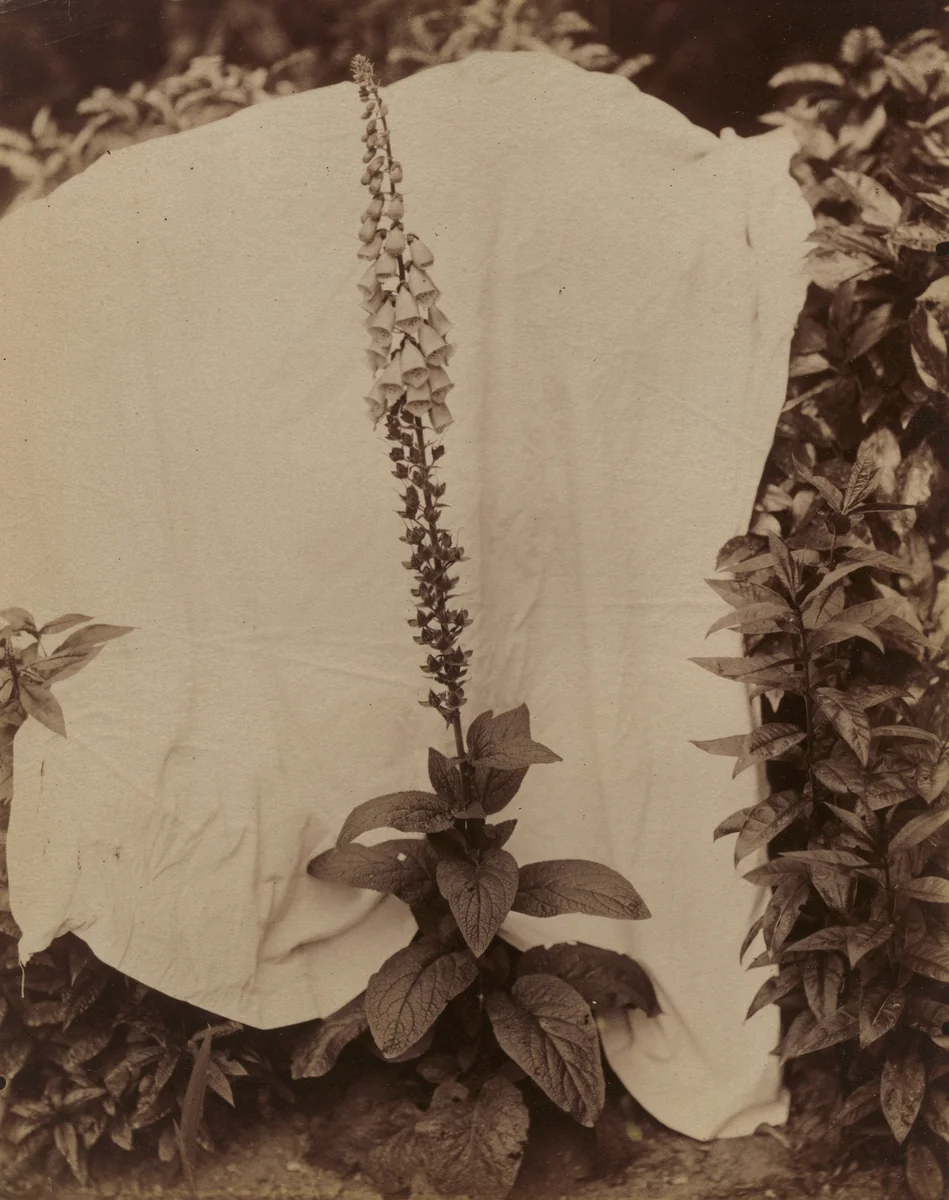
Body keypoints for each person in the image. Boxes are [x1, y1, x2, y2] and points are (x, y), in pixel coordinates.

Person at [0, 49, 812, 1141]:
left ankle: (510, 1004)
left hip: (420, 388)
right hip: (405, 429)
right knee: (430, 645)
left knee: (472, 695)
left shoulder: (415, 245)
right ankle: (454, 1026)